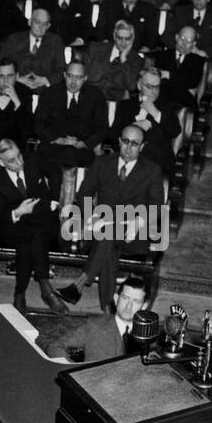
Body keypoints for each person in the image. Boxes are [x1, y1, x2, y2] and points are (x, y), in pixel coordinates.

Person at [57, 125, 164, 312]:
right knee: (108, 244)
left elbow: (156, 207)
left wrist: (137, 221)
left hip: (133, 234)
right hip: (100, 229)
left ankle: (80, 284)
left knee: (107, 235)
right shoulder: (102, 162)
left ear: (142, 147)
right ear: (119, 141)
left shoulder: (152, 170)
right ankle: (108, 309)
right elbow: (84, 194)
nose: (128, 147)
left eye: (134, 143)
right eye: (125, 141)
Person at [0, 138, 66, 314]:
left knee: (31, 237)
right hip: (14, 224)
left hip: (43, 219)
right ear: (1, 162)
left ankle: (19, 293)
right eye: (12, 161)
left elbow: (56, 171)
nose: (19, 162)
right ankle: (45, 288)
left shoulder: (33, 160)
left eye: (19, 156)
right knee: (30, 237)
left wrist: (53, 199)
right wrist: (18, 212)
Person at [60, 275, 149, 362]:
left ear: (144, 306)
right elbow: (56, 346)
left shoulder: (148, 336)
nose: (129, 306)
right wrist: (73, 372)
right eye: (125, 298)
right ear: (116, 299)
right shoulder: (94, 325)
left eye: (136, 301)